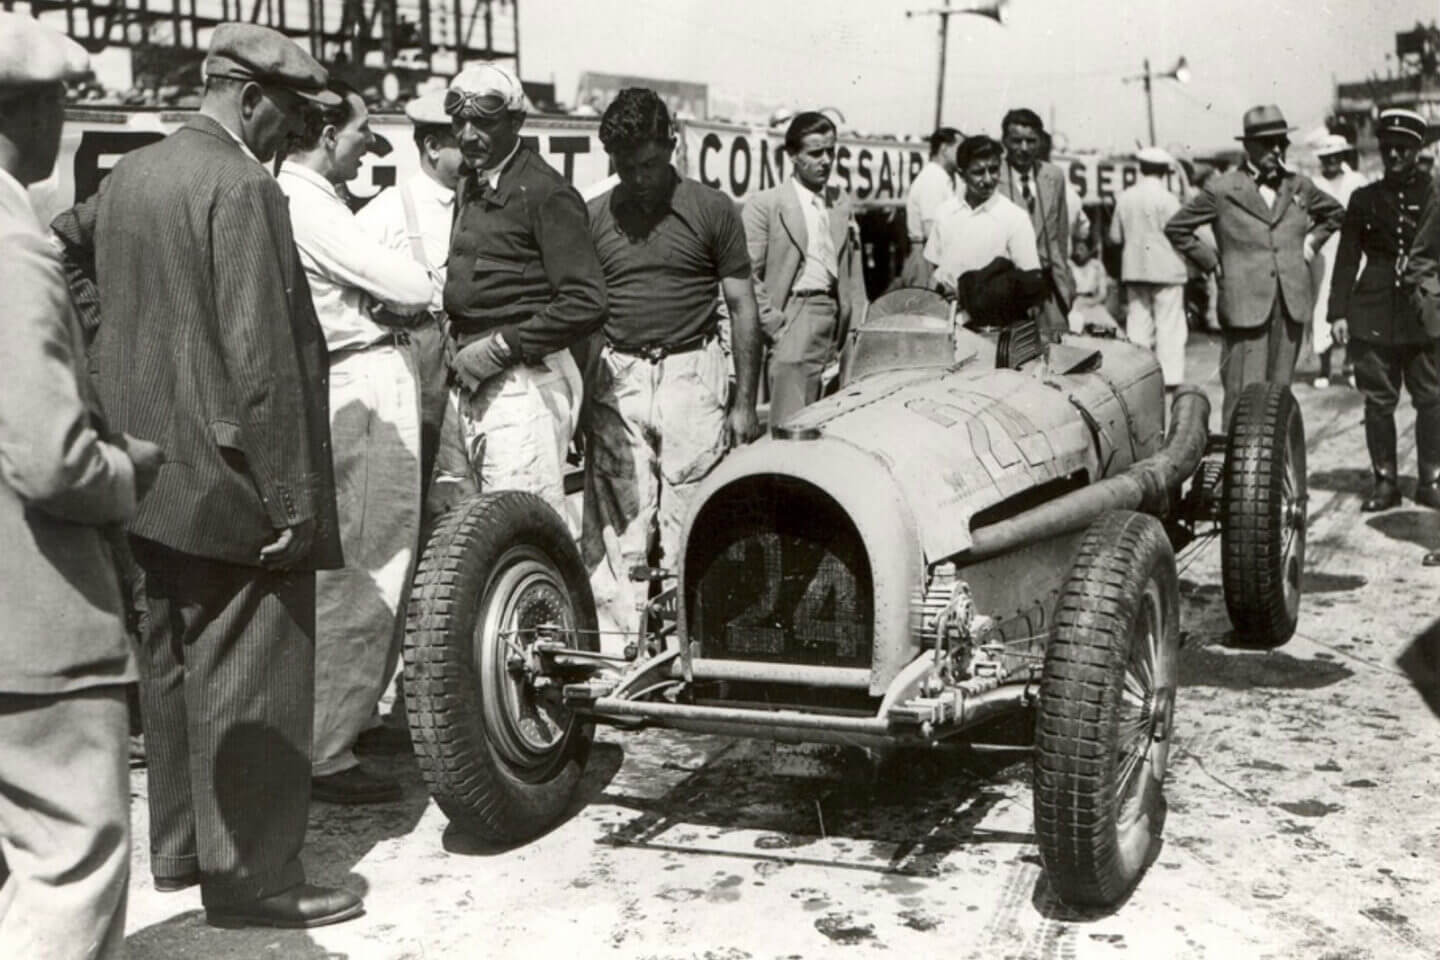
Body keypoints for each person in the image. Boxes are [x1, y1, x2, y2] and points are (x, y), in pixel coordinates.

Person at [52, 23, 362, 928]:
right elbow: (264, 364)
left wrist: (111, 350)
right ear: (248, 96)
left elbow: (66, 249)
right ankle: (255, 879)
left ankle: (185, 851)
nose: (296, 130)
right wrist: (293, 503)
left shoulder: (135, 175)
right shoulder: (244, 186)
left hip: (147, 471)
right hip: (232, 478)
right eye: (291, 111)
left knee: (172, 664)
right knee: (255, 671)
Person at [0, 17, 162, 956]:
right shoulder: (11, 246)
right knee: (69, 866)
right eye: (58, 99)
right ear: (24, 110)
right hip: (34, 626)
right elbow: (51, 460)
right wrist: (126, 470)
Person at [278, 86, 432, 804]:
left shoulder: (312, 197)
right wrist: (401, 292)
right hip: (362, 376)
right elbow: (409, 284)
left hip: (357, 371)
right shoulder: (307, 200)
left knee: (368, 560)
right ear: (325, 133)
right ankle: (327, 750)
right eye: (361, 130)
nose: (370, 143)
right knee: (368, 563)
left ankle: (343, 720)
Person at [580, 88, 763, 642]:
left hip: (692, 374)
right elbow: (587, 318)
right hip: (620, 376)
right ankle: (621, 646)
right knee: (621, 521)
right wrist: (583, 401)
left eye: (650, 164)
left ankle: (692, 642)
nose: (639, 178)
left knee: (691, 512)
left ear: (672, 146)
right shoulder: (594, 216)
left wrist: (743, 403)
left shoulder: (713, 209)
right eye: (626, 167)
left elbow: (742, 308)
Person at [432, 63, 607, 525]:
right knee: (465, 531)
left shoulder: (546, 193)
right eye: (459, 122)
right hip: (467, 380)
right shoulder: (472, 182)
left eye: (483, 123)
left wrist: (502, 347)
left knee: (521, 527)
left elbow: (586, 301)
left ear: (517, 121)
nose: (468, 135)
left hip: (522, 386)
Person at [1165, 104, 1345, 427]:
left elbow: (1335, 214)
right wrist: (1213, 263)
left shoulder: (1299, 186)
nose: (1276, 149)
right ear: (1248, 146)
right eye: (1267, 143)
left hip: (1290, 305)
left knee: (1279, 396)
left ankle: (1274, 457)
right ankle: (1235, 458)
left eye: (1281, 142)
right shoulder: (1222, 189)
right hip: (1244, 305)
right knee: (1242, 395)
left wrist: (1308, 247)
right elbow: (1177, 228)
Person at [356, 89, 464, 515]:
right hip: (421, 372)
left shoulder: (481, 204)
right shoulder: (387, 212)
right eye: (461, 140)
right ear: (433, 146)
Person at [1328, 109, 1439, 514]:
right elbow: (1346, 259)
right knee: (1378, 401)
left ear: (1417, 149)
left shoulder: (1434, 195)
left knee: (1432, 398)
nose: (1394, 155)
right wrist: (1338, 313)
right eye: (1388, 147)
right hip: (1373, 312)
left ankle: (1431, 479)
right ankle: (1386, 481)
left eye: (1403, 148)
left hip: (1423, 312)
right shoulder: (1364, 199)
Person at [743, 111, 868, 427]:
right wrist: (775, 326)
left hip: (838, 324)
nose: (826, 161)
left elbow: (853, 273)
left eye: (831, 152)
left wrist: (855, 326)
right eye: (815, 153)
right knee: (790, 428)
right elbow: (747, 275)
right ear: (792, 155)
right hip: (795, 318)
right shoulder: (766, 204)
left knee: (833, 425)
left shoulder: (840, 202)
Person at [923, 134, 1041, 299]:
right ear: (962, 175)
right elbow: (935, 269)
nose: (988, 180)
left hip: (994, 314)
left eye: (993, 170)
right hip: (946, 312)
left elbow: (1030, 280)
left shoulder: (1015, 218)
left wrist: (971, 295)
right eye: (978, 172)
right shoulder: (945, 212)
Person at [1109, 146, 1188, 387]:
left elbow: (1114, 237)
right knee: (1169, 325)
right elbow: (1181, 234)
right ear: (1164, 171)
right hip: (1167, 270)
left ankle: (1138, 381)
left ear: (1141, 168)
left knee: (1137, 324)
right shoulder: (1169, 199)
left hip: (1135, 269)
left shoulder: (1125, 198)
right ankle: (1170, 379)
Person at [996, 108, 1074, 342]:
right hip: (1008, 285)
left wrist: (1064, 282)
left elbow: (1061, 233)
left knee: (1058, 352)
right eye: (1016, 141)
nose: (1024, 148)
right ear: (1004, 141)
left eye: (1031, 141)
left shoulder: (1054, 176)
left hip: (1049, 286)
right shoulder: (992, 177)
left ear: (1040, 141)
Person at [1309, 133, 1368, 388]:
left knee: (1353, 304)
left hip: (1353, 251)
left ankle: (1350, 364)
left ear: (1343, 156)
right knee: (1321, 305)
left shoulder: (1357, 181)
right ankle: (1324, 368)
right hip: (1324, 251)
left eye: (1335, 156)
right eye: (1326, 157)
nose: (1331, 161)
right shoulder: (1313, 184)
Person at [900, 126, 961, 287]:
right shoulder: (933, 179)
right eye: (960, 149)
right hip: (927, 259)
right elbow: (932, 231)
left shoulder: (943, 178)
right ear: (944, 149)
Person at [1068, 233, 1119, 336]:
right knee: (1077, 326)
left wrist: (1089, 302)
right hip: (1076, 305)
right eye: (1076, 249)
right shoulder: (1071, 266)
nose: (1078, 252)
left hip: (1093, 304)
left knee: (1109, 331)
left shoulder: (1096, 265)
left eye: (1082, 249)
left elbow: (1102, 294)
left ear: (1089, 251)